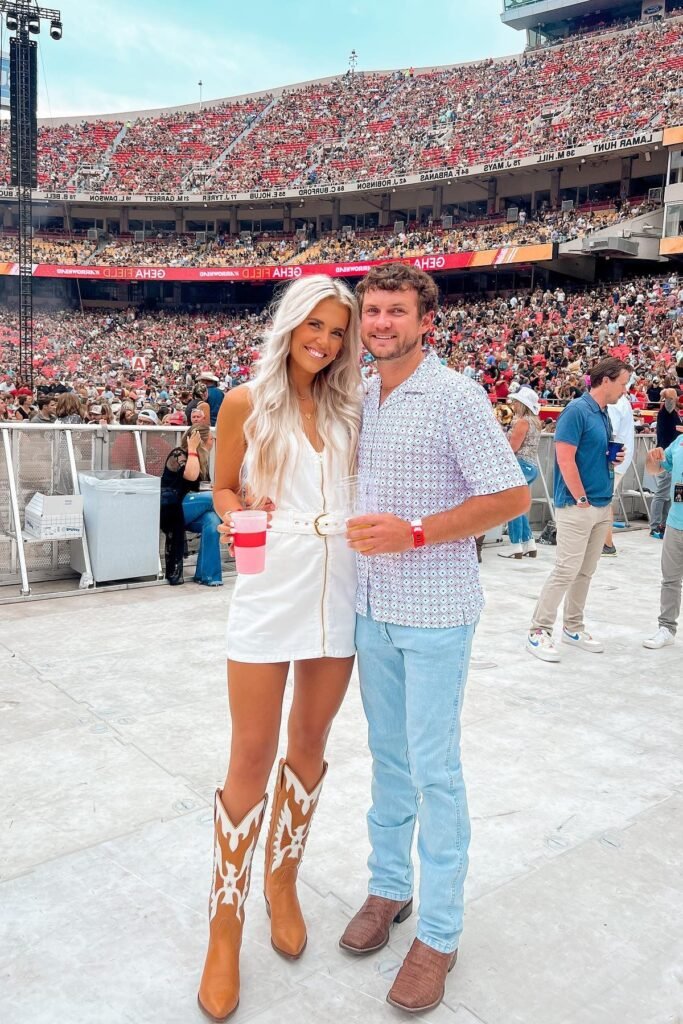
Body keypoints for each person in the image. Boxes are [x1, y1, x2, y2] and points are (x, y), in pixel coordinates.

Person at [338, 264, 528, 1014]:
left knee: (432, 770)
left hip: (437, 607)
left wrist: (414, 532)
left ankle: (440, 933)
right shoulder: (357, 394)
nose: (380, 321)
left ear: (425, 321)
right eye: (371, 310)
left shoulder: (455, 396)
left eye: (395, 310)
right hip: (369, 604)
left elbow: (511, 496)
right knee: (386, 759)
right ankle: (390, 887)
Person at [197, 276, 362, 1022]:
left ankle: (282, 880)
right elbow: (223, 489)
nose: (323, 342)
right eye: (314, 326)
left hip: (340, 591)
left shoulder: (353, 406)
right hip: (270, 586)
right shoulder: (241, 401)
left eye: (336, 332)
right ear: (291, 323)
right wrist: (237, 516)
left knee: (309, 744)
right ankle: (224, 929)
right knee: (250, 756)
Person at [526, 357, 630, 663]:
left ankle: (573, 627)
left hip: (601, 503)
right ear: (607, 380)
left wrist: (611, 458)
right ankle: (538, 630)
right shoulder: (576, 411)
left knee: (585, 571)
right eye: (623, 383)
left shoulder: (603, 414)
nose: (625, 390)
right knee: (566, 569)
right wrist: (581, 498)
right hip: (578, 505)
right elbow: (565, 458)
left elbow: (590, 455)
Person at [159, 426, 221, 586]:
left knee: (212, 521)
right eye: (210, 438)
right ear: (202, 440)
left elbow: (197, 486)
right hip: (172, 507)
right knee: (215, 498)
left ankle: (207, 575)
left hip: (189, 507)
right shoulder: (179, 453)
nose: (213, 442)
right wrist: (192, 448)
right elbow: (190, 475)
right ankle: (239, 520)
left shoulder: (202, 459)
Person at [642, 431, 683, 649]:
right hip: (676, 523)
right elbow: (655, 469)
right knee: (670, 580)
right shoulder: (679, 441)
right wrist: (652, 457)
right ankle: (666, 628)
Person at [498, 386, 542, 559]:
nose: (513, 404)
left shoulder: (522, 422)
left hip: (520, 466)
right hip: (530, 466)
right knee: (520, 507)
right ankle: (528, 543)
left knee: (513, 507)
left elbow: (513, 448)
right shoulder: (535, 422)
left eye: (516, 402)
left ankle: (516, 545)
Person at [602, 388, 635, 555]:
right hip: (620, 458)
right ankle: (605, 542)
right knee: (605, 499)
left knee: (604, 500)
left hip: (615, 458)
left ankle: (606, 543)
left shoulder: (615, 403)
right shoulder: (622, 401)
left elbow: (609, 434)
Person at [649, 389, 682, 539]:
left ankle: (664, 523)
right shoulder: (667, 412)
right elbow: (668, 395)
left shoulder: (673, 414)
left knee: (670, 495)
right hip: (666, 458)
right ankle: (655, 526)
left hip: (673, 459)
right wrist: (669, 391)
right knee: (661, 494)